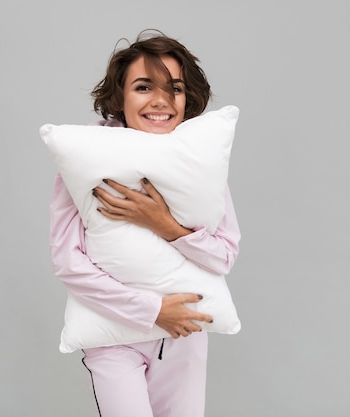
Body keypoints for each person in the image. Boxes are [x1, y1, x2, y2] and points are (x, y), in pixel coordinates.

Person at [49, 30, 241, 417]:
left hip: (182, 337)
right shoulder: (89, 157)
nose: (160, 101)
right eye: (143, 87)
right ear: (120, 96)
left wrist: (165, 225)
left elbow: (223, 257)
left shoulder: (198, 166)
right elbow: (69, 263)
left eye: (175, 89)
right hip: (114, 336)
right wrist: (151, 310)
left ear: (188, 99)